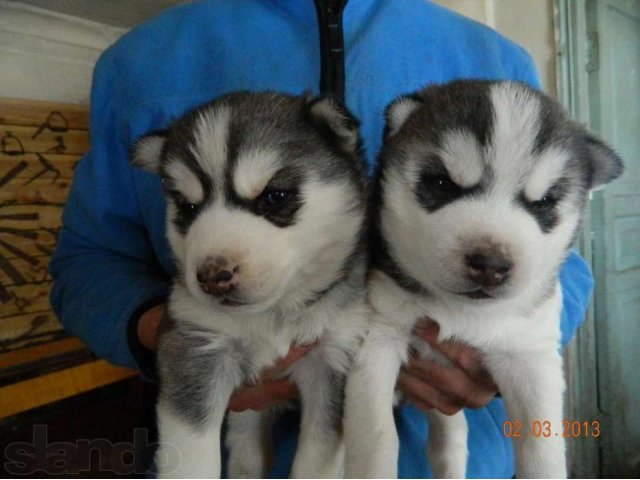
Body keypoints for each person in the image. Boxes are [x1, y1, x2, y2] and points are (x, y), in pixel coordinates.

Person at [50, 0, 594, 477]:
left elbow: (562, 258)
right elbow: (86, 260)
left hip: (472, 455)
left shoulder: (497, 57)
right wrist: (167, 334)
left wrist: (511, 345)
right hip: (219, 444)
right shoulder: (141, 60)